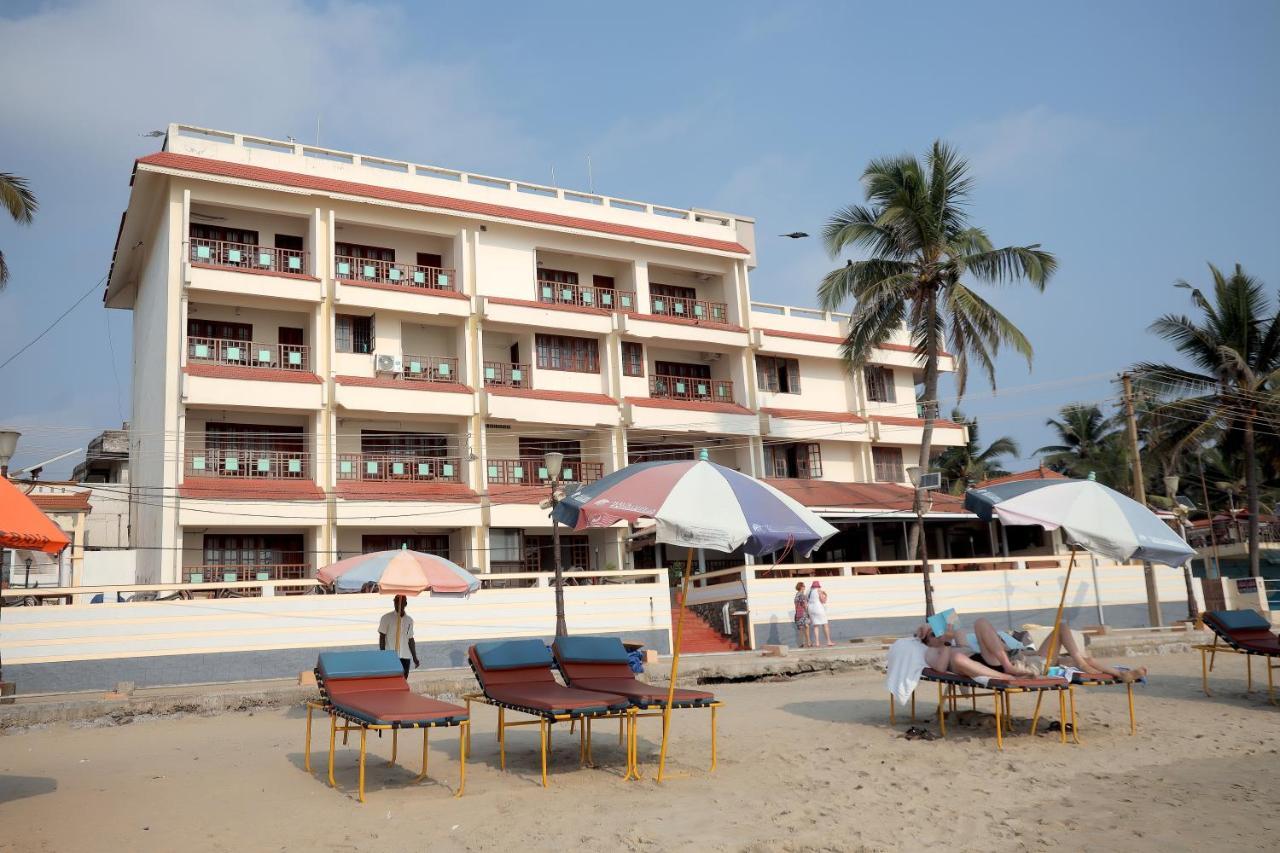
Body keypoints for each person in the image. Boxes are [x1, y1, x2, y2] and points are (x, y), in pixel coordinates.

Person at [915, 616, 1147, 683]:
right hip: (998, 664)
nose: (937, 634)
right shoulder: (938, 651)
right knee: (982, 622)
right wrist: (942, 640)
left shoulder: (958, 639)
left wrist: (940, 625)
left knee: (1062, 627)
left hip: (1025, 658)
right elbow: (940, 667)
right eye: (931, 634)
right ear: (927, 641)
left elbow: (956, 623)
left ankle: (1118, 673)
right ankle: (1083, 663)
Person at [378, 594, 420, 677]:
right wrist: (383, 655)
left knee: (404, 680)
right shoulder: (386, 618)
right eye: (396, 601)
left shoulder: (409, 620)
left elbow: (410, 639)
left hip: (405, 656)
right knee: (392, 680)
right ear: (394, 602)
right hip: (391, 656)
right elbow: (382, 637)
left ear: (405, 603)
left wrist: (415, 657)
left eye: (400, 601)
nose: (398, 603)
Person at [807, 581, 832, 647]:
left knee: (816, 626)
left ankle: (817, 642)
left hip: (811, 609)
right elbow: (822, 601)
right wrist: (825, 597)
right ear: (818, 586)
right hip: (818, 609)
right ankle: (829, 641)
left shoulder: (809, 592)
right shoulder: (818, 590)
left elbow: (807, 600)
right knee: (825, 625)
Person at [792, 582, 810, 647]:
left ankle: (801, 643)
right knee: (806, 627)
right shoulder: (802, 595)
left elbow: (796, 604)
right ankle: (808, 642)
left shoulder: (796, 595)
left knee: (800, 628)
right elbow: (804, 605)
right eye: (804, 586)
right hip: (803, 613)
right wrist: (808, 611)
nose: (805, 587)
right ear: (801, 587)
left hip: (798, 613)